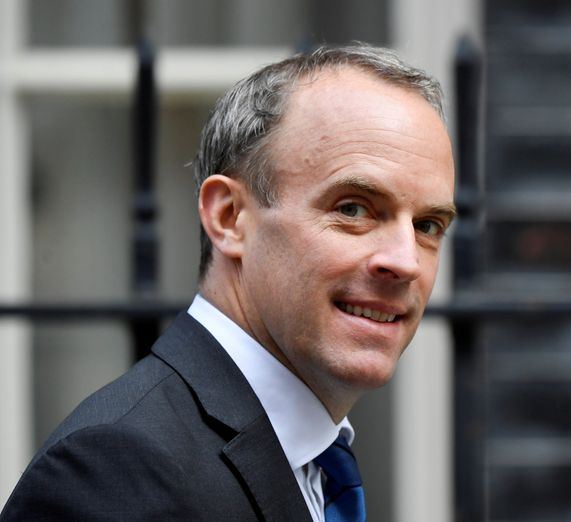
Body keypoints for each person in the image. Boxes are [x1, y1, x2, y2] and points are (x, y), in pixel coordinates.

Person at [0, 44, 455, 521]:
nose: (405, 262)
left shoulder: (311, 460)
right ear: (229, 217)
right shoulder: (117, 469)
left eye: (428, 226)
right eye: (353, 209)